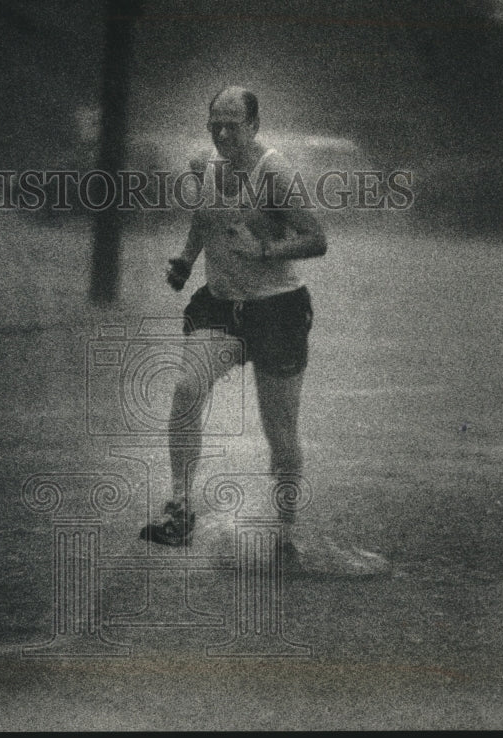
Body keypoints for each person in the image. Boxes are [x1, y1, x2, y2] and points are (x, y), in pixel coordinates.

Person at [139, 86, 325, 564]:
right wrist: (185, 259)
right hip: (222, 306)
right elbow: (204, 218)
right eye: (214, 124)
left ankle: (284, 535)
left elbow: (315, 239)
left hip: (277, 309)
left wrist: (264, 251)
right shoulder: (207, 167)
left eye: (232, 125)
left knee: (279, 430)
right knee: (185, 387)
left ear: (254, 126)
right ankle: (179, 511)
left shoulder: (275, 173)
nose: (222, 133)